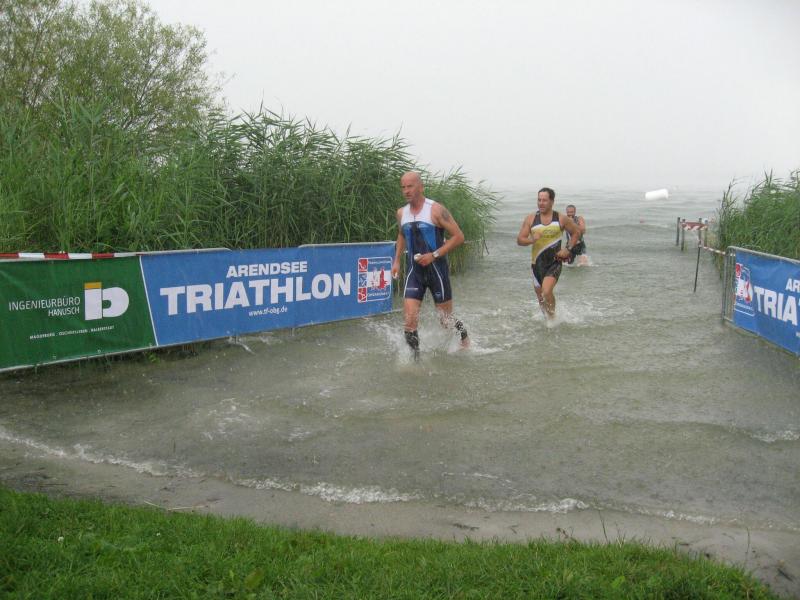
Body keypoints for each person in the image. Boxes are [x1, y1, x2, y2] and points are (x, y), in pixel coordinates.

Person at [391, 171, 469, 359]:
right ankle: (416, 361)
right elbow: (401, 234)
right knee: (409, 321)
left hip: (437, 272)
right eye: (403, 187)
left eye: (410, 186)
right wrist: (397, 260)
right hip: (415, 272)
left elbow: (459, 237)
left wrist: (434, 255)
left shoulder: (435, 210)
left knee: (445, 321)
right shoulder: (401, 213)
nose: (406, 191)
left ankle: (464, 336)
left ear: (421, 187)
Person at [516, 187, 583, 318]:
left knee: (546, 292)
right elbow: (520, 240)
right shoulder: (531, 219)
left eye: (544, 200)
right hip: (536, 264)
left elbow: (576, 232)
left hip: (554, 262)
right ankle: (547, 319)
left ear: (552, 201)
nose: (541, 203)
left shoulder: (561, 218)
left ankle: (552, 319)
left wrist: (567, 249)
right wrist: (531, 240)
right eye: (539, 200)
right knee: (541, 298)